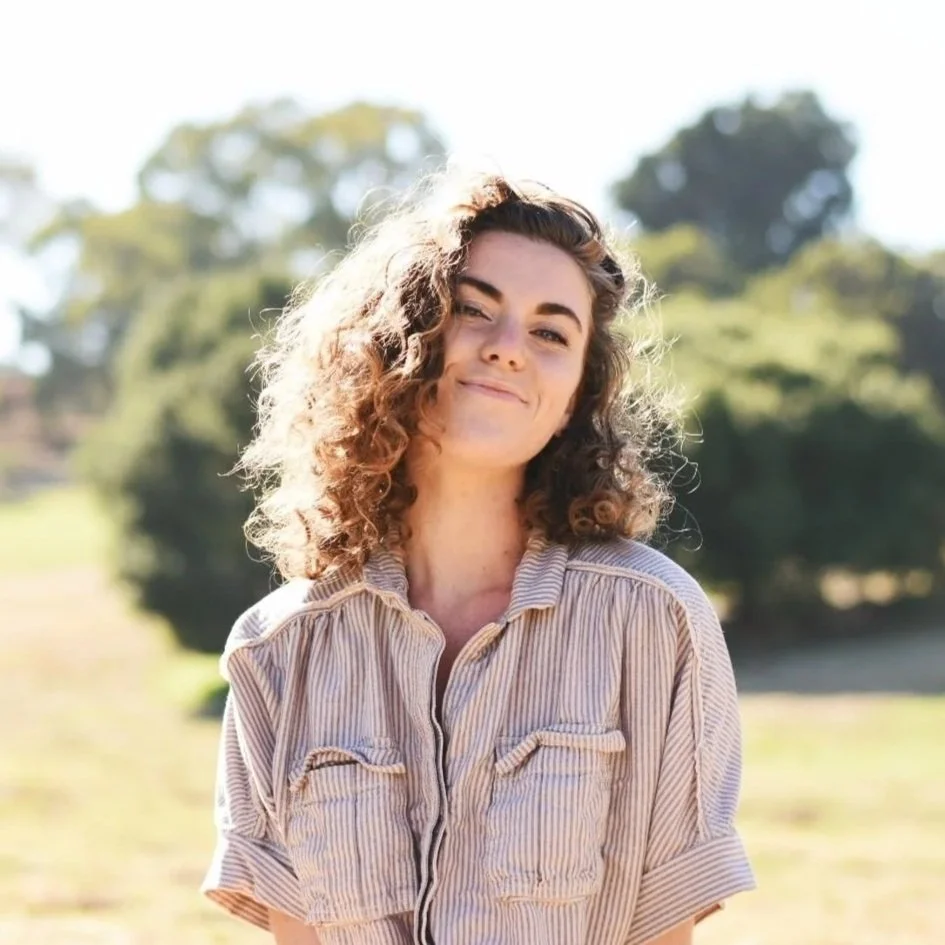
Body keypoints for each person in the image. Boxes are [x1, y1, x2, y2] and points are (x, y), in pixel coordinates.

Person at [200, 167, 756, 945]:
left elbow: (662, 929)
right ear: (402, 338)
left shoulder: (654, 620)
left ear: (575, 398)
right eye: (474, 310)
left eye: (550, 331)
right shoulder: (278, 649)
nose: (507, 350)